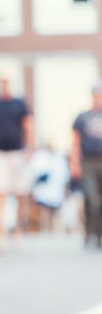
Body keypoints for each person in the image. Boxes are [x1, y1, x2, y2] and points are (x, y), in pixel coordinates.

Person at [0, 74, 33, 253]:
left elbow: (28, 126)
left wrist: (29, 150)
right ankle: (0, 236)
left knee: (19, 194)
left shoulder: (19, 104)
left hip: (17, 153)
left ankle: (17, 233)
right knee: (0, 194)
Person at [70, 80, 102, 248]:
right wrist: (74, 162)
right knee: (91, 198)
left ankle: (98, 234)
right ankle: (90, 232)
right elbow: (76, 142)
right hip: (88, 161)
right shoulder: (83, 117)